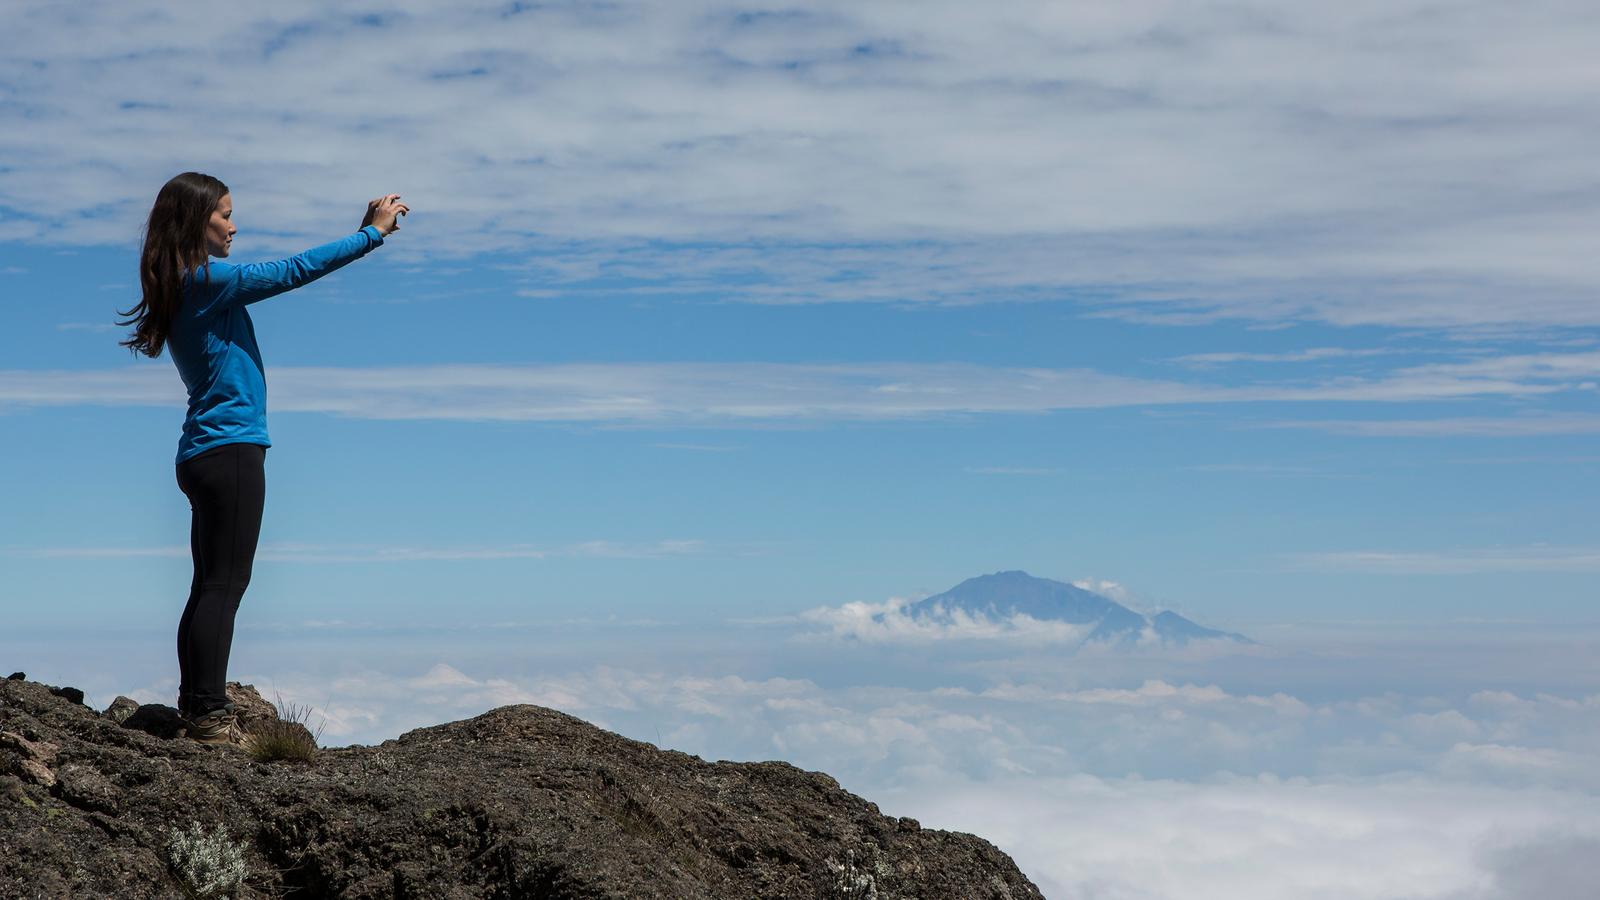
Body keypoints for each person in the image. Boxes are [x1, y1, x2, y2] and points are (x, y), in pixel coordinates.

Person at [118, 172, 408, 745]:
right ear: (195, 221)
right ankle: (207, 713)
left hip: (204, 451)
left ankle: (197, 702)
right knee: (224, 586)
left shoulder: (183, 285)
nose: (233, 224)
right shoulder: (205, 280)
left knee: (210, 584)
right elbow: (290, 271)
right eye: (224, 213)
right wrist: (370, 235)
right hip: (229, 449)